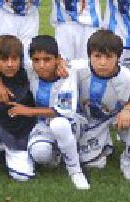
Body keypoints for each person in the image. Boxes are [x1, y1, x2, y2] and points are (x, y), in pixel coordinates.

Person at [0, 35, 52, 182]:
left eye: (14, 59)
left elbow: (53, 64)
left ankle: (19, 152)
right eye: (4, 60)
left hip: (21, 132)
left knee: (29, 169)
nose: (9, 64)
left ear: (21, 59)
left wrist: (63, 63)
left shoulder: (30, 73)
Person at [71, 30, 130, 182]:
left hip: (115, 118)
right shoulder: (76, 69)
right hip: (86, 120)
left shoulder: (129, 78)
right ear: (89, 56)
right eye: (97, 56)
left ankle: (128, 161)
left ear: (118, 57)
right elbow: (51, 66)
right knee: (94, 165)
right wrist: (60, 65)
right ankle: (103, 144)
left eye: (109, 57)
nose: (102, 62)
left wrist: (128, 109)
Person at [23, 35, 90, 190]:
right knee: (40, 154)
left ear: (57, 59)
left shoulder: (68, 71)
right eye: (36, 60)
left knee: (59, 123)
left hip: (71, 123)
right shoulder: (29, 70)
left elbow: (63, 113)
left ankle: (75, 171)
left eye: (47, 60)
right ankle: (60, 155)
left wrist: (66, 61)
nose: (41, 65)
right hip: (43, 125)